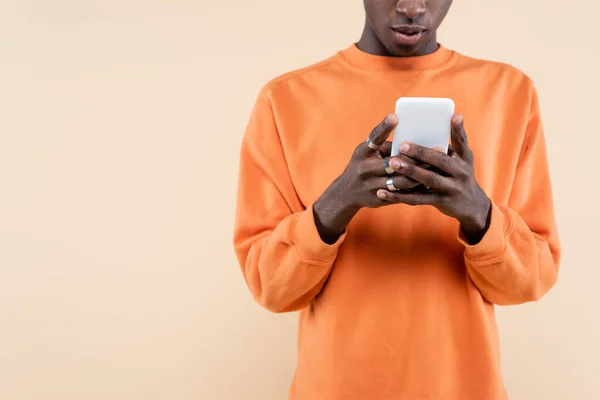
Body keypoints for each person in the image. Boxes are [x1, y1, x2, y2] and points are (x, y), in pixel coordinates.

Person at [233, 0, 561, 398]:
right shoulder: (284, 100)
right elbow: (271, 288)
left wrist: (478, 213)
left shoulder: (511, 93)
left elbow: (531, 282)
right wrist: (335, 205)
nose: (412, 6)